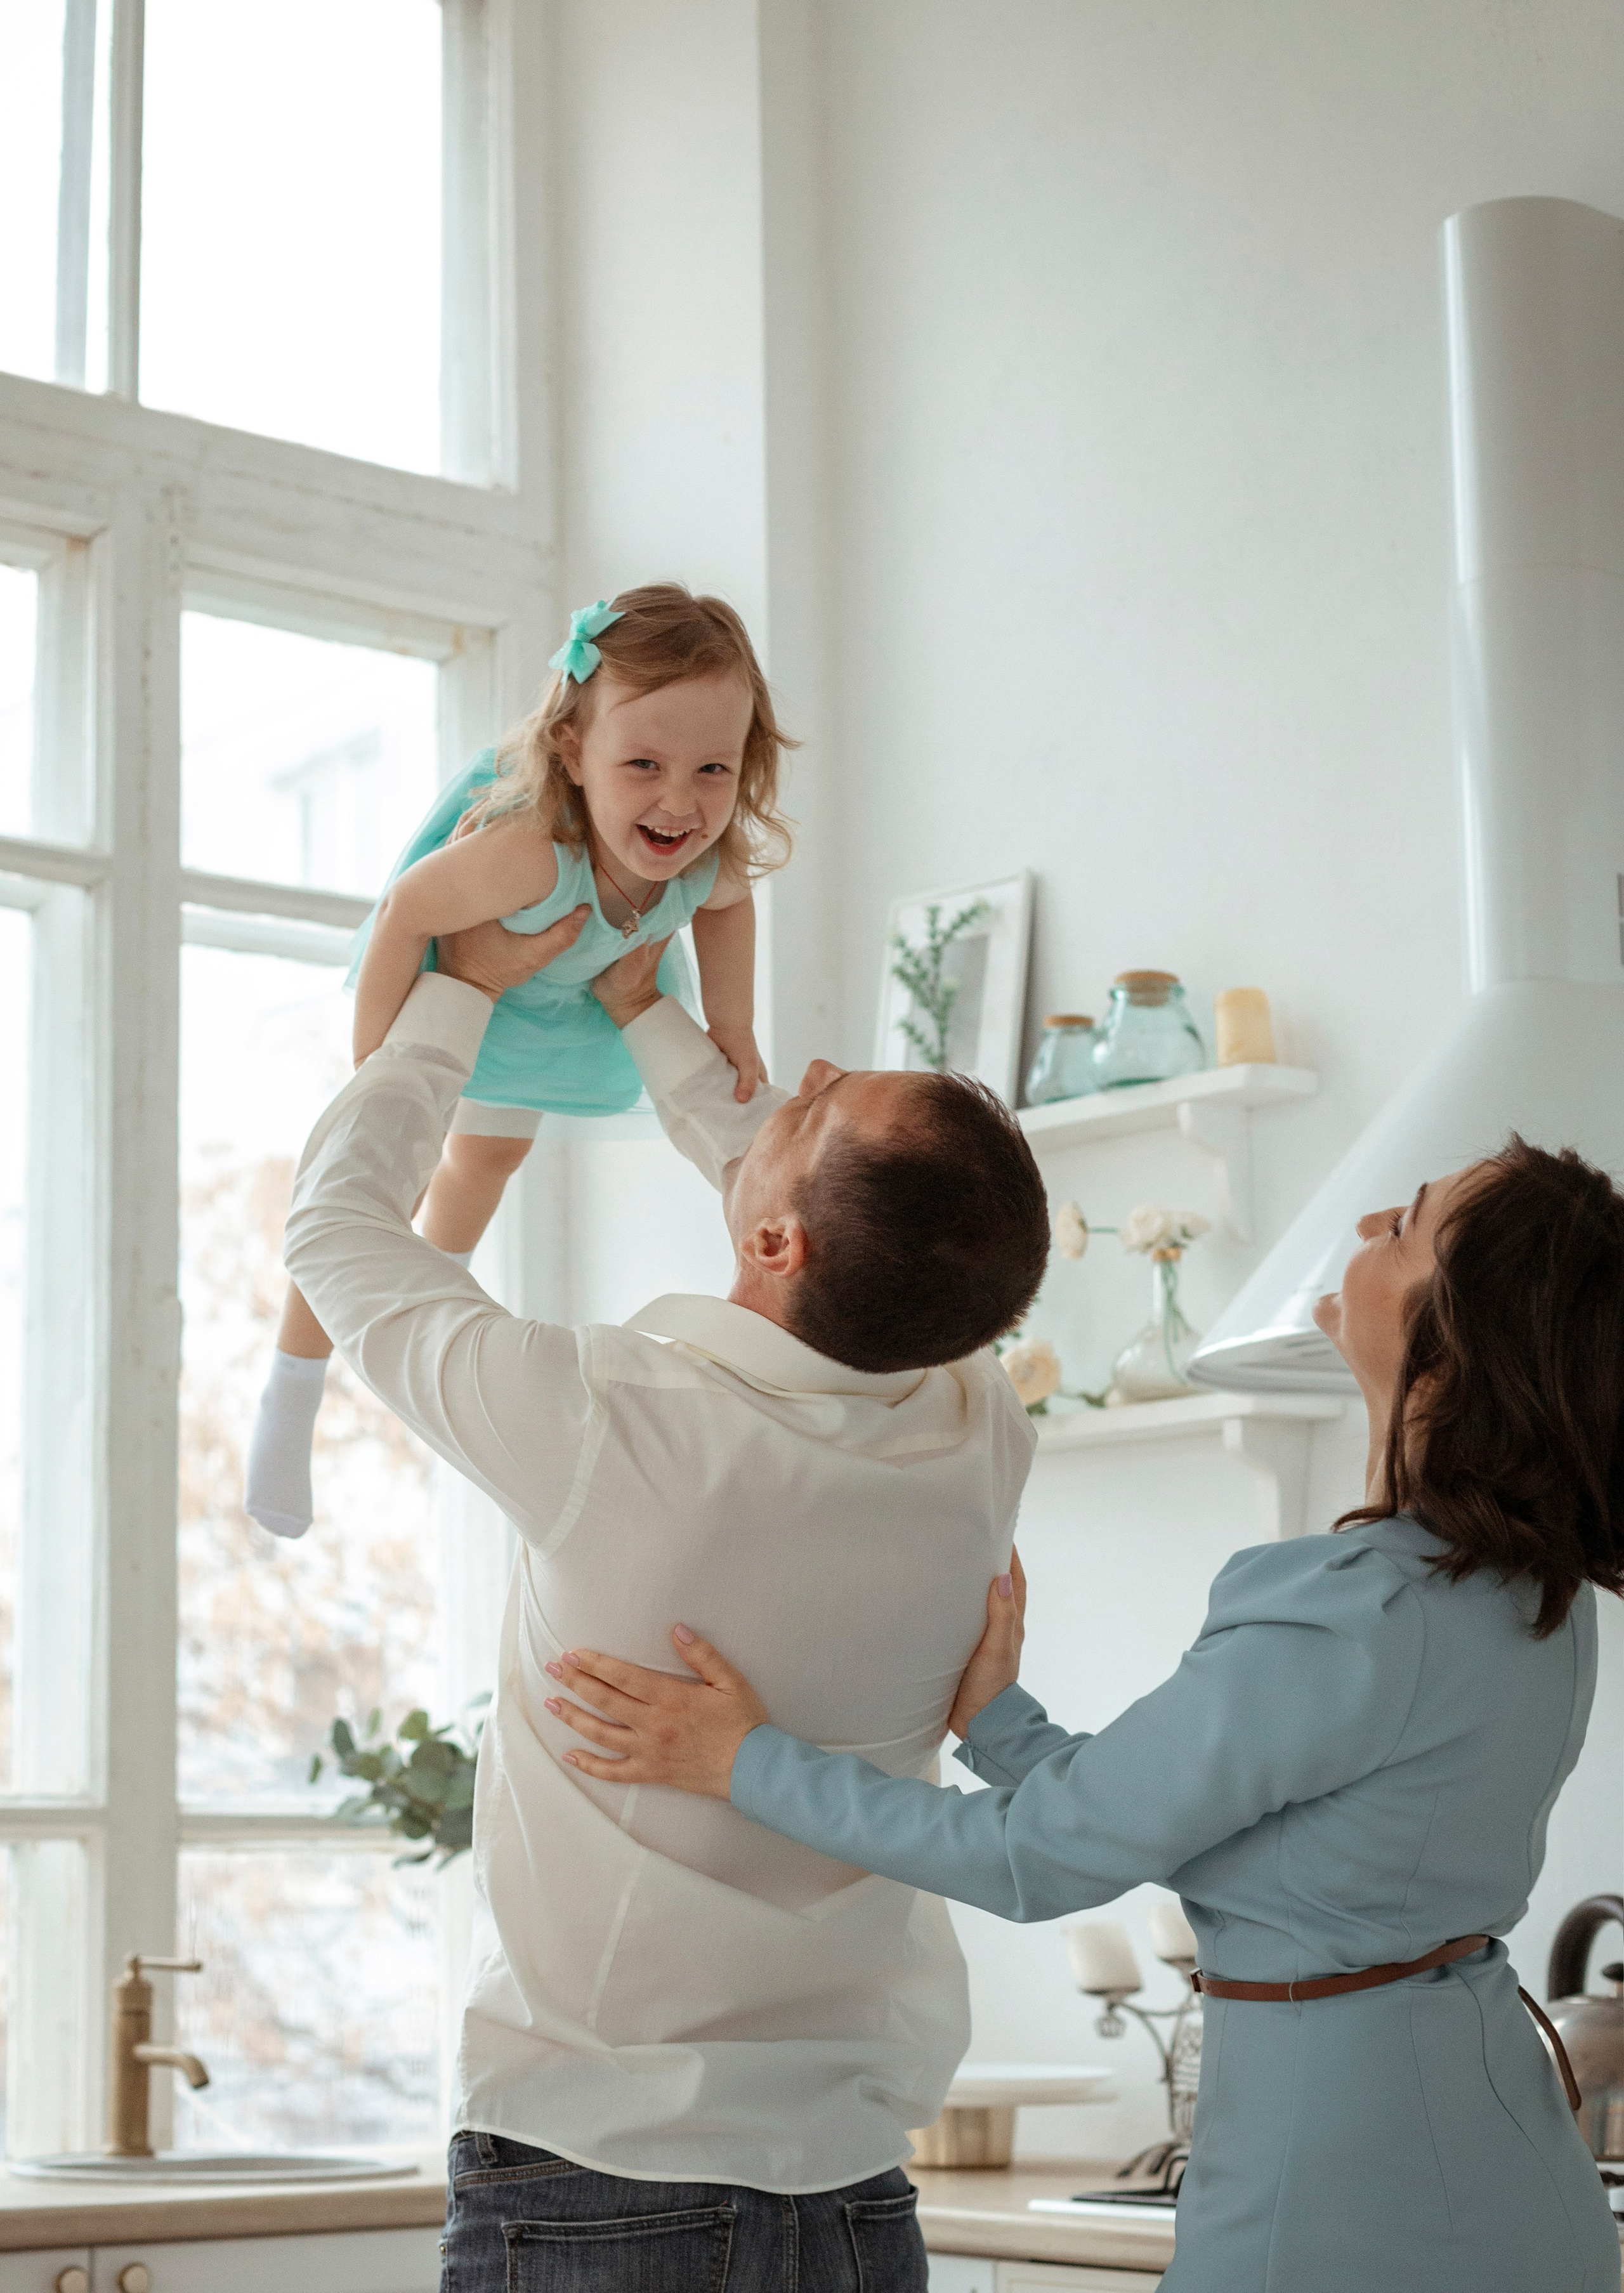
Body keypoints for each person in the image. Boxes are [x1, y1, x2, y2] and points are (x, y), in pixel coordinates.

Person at [551, 1136, 1624, 2293]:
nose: (1369, 1229)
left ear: (1453, 1353)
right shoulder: (1535, 1602)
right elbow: (1243, 1841)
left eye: (1407, 1225)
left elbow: (1033, 1862)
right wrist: (1002, 1724)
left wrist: (744, 1762)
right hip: (1505, 2163)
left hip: (1342, 2179)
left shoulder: (1355, 1614)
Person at [280, 919, 1051, 2292]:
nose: (795, 1076)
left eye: (813, 1098)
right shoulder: (974, 1424)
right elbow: (826, 1232)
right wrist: (650, 1016)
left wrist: (453, 999)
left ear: (773, 1235)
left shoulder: (609, 1422)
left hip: (598, 2181)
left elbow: (333, 1229)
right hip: (854, 2198)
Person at [247, 583, 790, 1537]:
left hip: (559, 1018)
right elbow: (408, 909)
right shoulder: (534, 855)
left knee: (490, 1160)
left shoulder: (711, 855)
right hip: (464, 1001)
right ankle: (293, 1384)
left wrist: (735, 1024)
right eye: (644, 764)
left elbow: (729, 907)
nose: (680, 802)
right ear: (574, 752)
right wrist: (379, 1053)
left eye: (714, 767)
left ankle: (419, 1295)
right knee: (382, 1177)